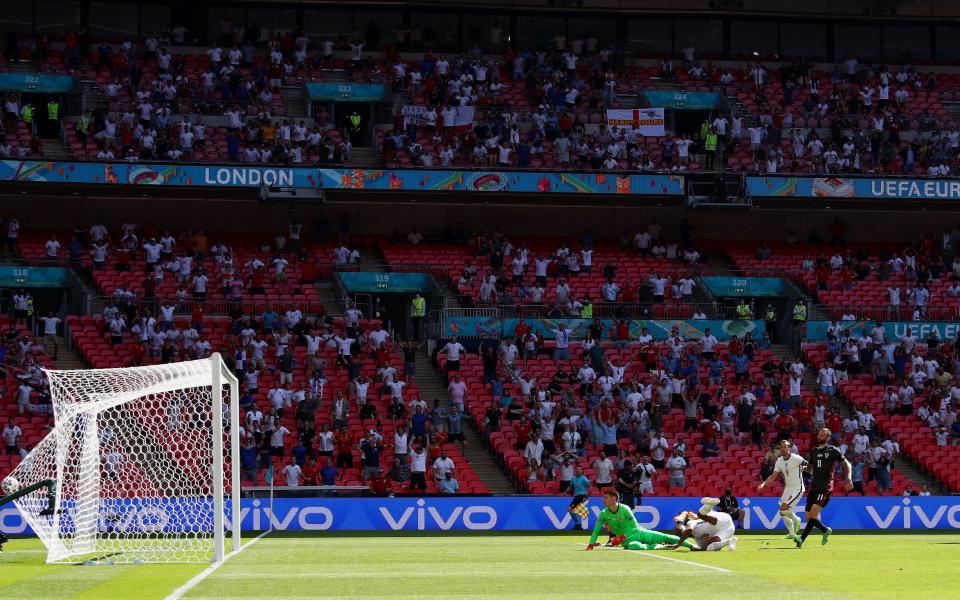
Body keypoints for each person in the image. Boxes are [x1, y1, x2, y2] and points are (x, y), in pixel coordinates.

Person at [585, 490, 697, 551]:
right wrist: (590, 544)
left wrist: (620, 537)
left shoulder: (625, 509)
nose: (603, 500)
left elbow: (634, 527)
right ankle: (656, 546)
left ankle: (692, 546)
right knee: (634, 546)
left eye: (605, 498)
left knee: (667, 537)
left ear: (613, 498)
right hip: (628, 541)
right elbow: (596, 530)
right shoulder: (604, 513)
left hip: (640, 533)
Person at [796, 428, 853, 548]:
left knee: (812, 515)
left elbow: (847, 464)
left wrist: (849, 478)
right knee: (808, 518)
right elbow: (811, 468)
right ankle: (825, 530)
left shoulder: (833, 451)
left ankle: (801, 539)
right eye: (819, 435)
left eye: (823, 435)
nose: (820, 437)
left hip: (825, 487)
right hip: (814, 487)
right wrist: (802, 468)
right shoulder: (813, 451)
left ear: (828, 438)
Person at [757, 439, 806, 541]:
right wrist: (764, 484)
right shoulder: (779, 461)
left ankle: (797, 519)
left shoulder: (796, 458)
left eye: (785, 447)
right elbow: (773, 476)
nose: (783, 449)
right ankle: (792, 533)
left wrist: (803, 468)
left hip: (798, 488)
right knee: (782, 513)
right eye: (781, 447)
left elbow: (808, 464)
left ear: (789, 448)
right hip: (788, 488)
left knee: (783, 509)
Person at [670, 498, 738, 551]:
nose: (681, 534)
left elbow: (689, 529)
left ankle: (708, 505)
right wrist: (697, 549)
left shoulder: (690, 522)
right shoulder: (698, 541)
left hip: (722, 520)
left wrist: (678, 543)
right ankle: (729, 541)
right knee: (705, 547)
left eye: (680, 533)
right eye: (679, 535)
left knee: (701, 515)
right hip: (729, 530)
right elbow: (715, 547)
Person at [566, 464, 591, 530]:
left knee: (569, 508)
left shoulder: (584, 479)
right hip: (576, 496)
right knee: (571, 510)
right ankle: (578, 524)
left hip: (581, 496)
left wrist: (586, 496)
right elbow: (570, 486)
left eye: (579, 469)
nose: (577, 470)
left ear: (582, 471)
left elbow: (590, 487)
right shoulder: (573, 478)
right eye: (576, 469)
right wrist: (565, 492)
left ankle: (578, 524)